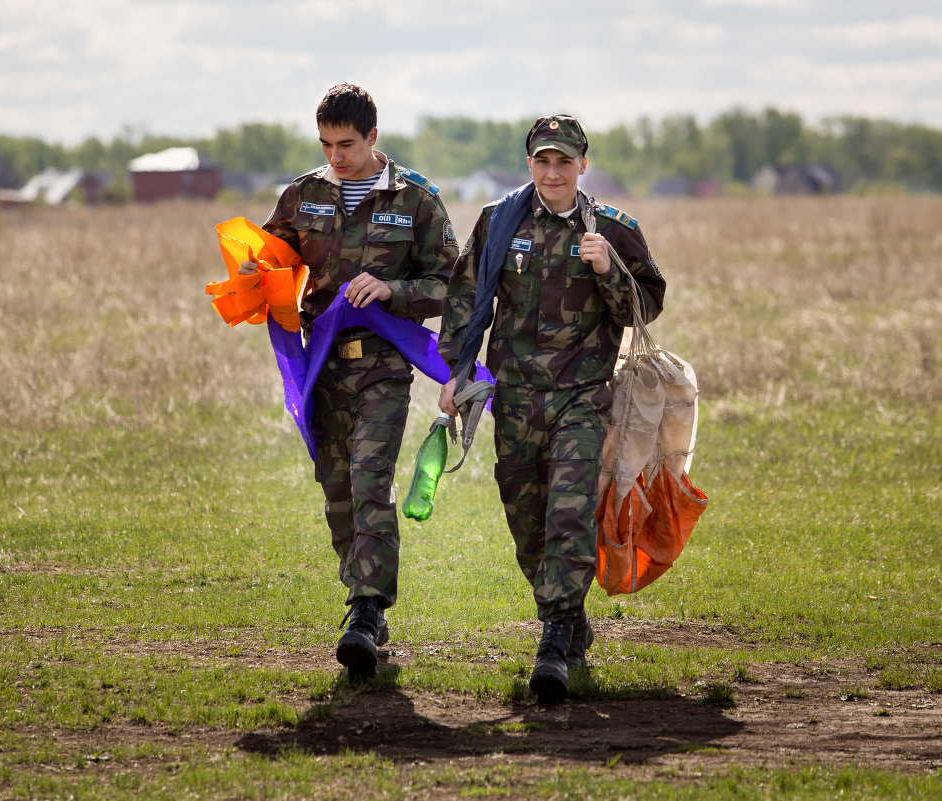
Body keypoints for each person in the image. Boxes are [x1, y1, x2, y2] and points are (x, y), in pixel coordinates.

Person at [437, 114, 666, 704]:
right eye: (543, 160)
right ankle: (565, 616)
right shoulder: (499, 222)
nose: (554, 171)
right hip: (514, 399)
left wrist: (607, 267)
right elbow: (467, 301)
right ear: (531, 165)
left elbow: (645, 308)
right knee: (527, 521)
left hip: (581, 398)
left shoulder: (613, 229)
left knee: (568, 515)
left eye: (565, 161)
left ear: (583, 165)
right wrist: (456, 373)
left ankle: (554, 636)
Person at [242, 83, 459, 680]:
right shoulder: (303, 195)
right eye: (326, 145)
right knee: (338, 489)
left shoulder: (416, 200)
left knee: (370, 478)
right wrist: (252, 270)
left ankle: (365, 610)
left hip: (385, 367)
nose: (336, 158)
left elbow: (452, 285)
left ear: (372, 138)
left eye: (347, 145)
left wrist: (394, 290)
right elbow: (272, 257)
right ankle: (365, 604)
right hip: (322, 364)